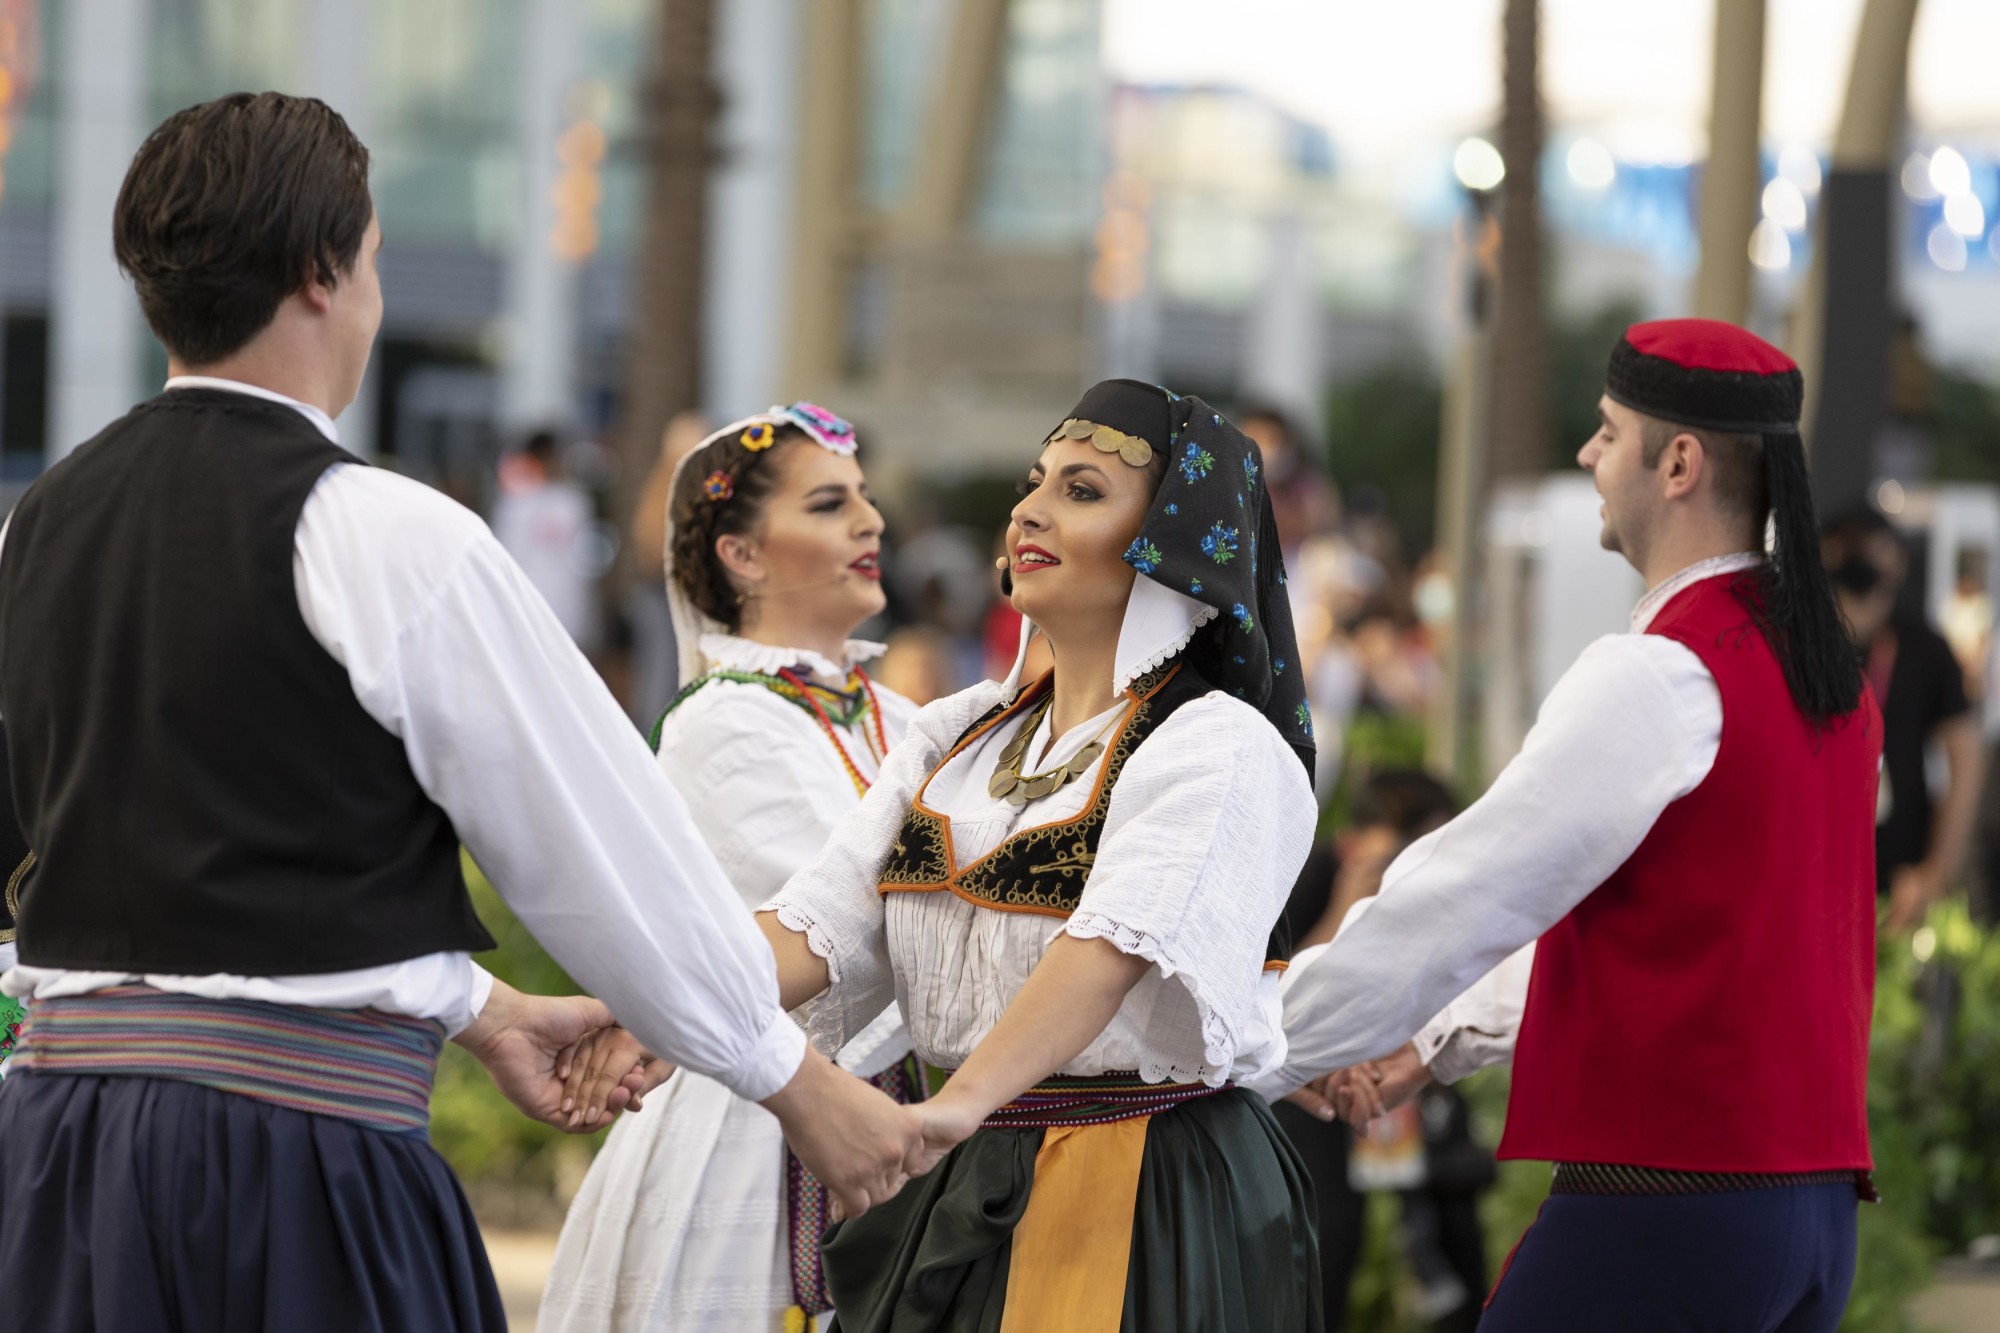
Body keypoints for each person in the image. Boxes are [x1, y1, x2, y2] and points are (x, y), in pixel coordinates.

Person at [0, 93, 921, 1331]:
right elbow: (595, 852)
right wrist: (795, 1085)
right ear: (325, 271)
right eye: (373, 256)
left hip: (57, 1156)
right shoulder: (387, 534)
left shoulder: (37, 525)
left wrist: (477, 1008)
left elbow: (96, 865)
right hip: (295, 1162)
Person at [1262, 320, 1881, 1330]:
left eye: (1605, 432)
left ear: (1675, 462)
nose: (1588, 457)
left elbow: (1469, 890)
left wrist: (1249, 1040)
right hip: (1811, 1215)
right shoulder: (1827, 674)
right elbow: (1584, 902)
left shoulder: (1659, 668)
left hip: (1671, 1205)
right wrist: (1426, 1037)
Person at [759, 380, 1324, 1330]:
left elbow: (1105, 953)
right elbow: (817, 922)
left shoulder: (1218, 745)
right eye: (1035, 482)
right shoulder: (957, 735)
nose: (1031, 508)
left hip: (1142, 1181)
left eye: (1084, 490)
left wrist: (955, 1106)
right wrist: (643, 1009)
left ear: (1171, 543)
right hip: (971, 1159)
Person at [541, 403, 924, 1333]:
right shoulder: (722, 719)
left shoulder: (902, 717)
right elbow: (862, 931)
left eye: (865, 500)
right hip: (753, 1133)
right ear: (741, 555)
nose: (870, 522)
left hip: (891, 1125)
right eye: (830, 504)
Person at [1823, 507, 1985, 930]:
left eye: (1874, 547)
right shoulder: (1802, 645)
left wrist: (1936, 871)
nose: (1860, 557)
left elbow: (1966, 757)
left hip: (1899, 872)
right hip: (1815, 868)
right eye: (1847, 545)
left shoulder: (1924, 648)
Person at [493, 427, 603, 654]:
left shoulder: (575, 502)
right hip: (528, 607)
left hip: (567, 608)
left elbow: (587, 559)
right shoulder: (516, 502)